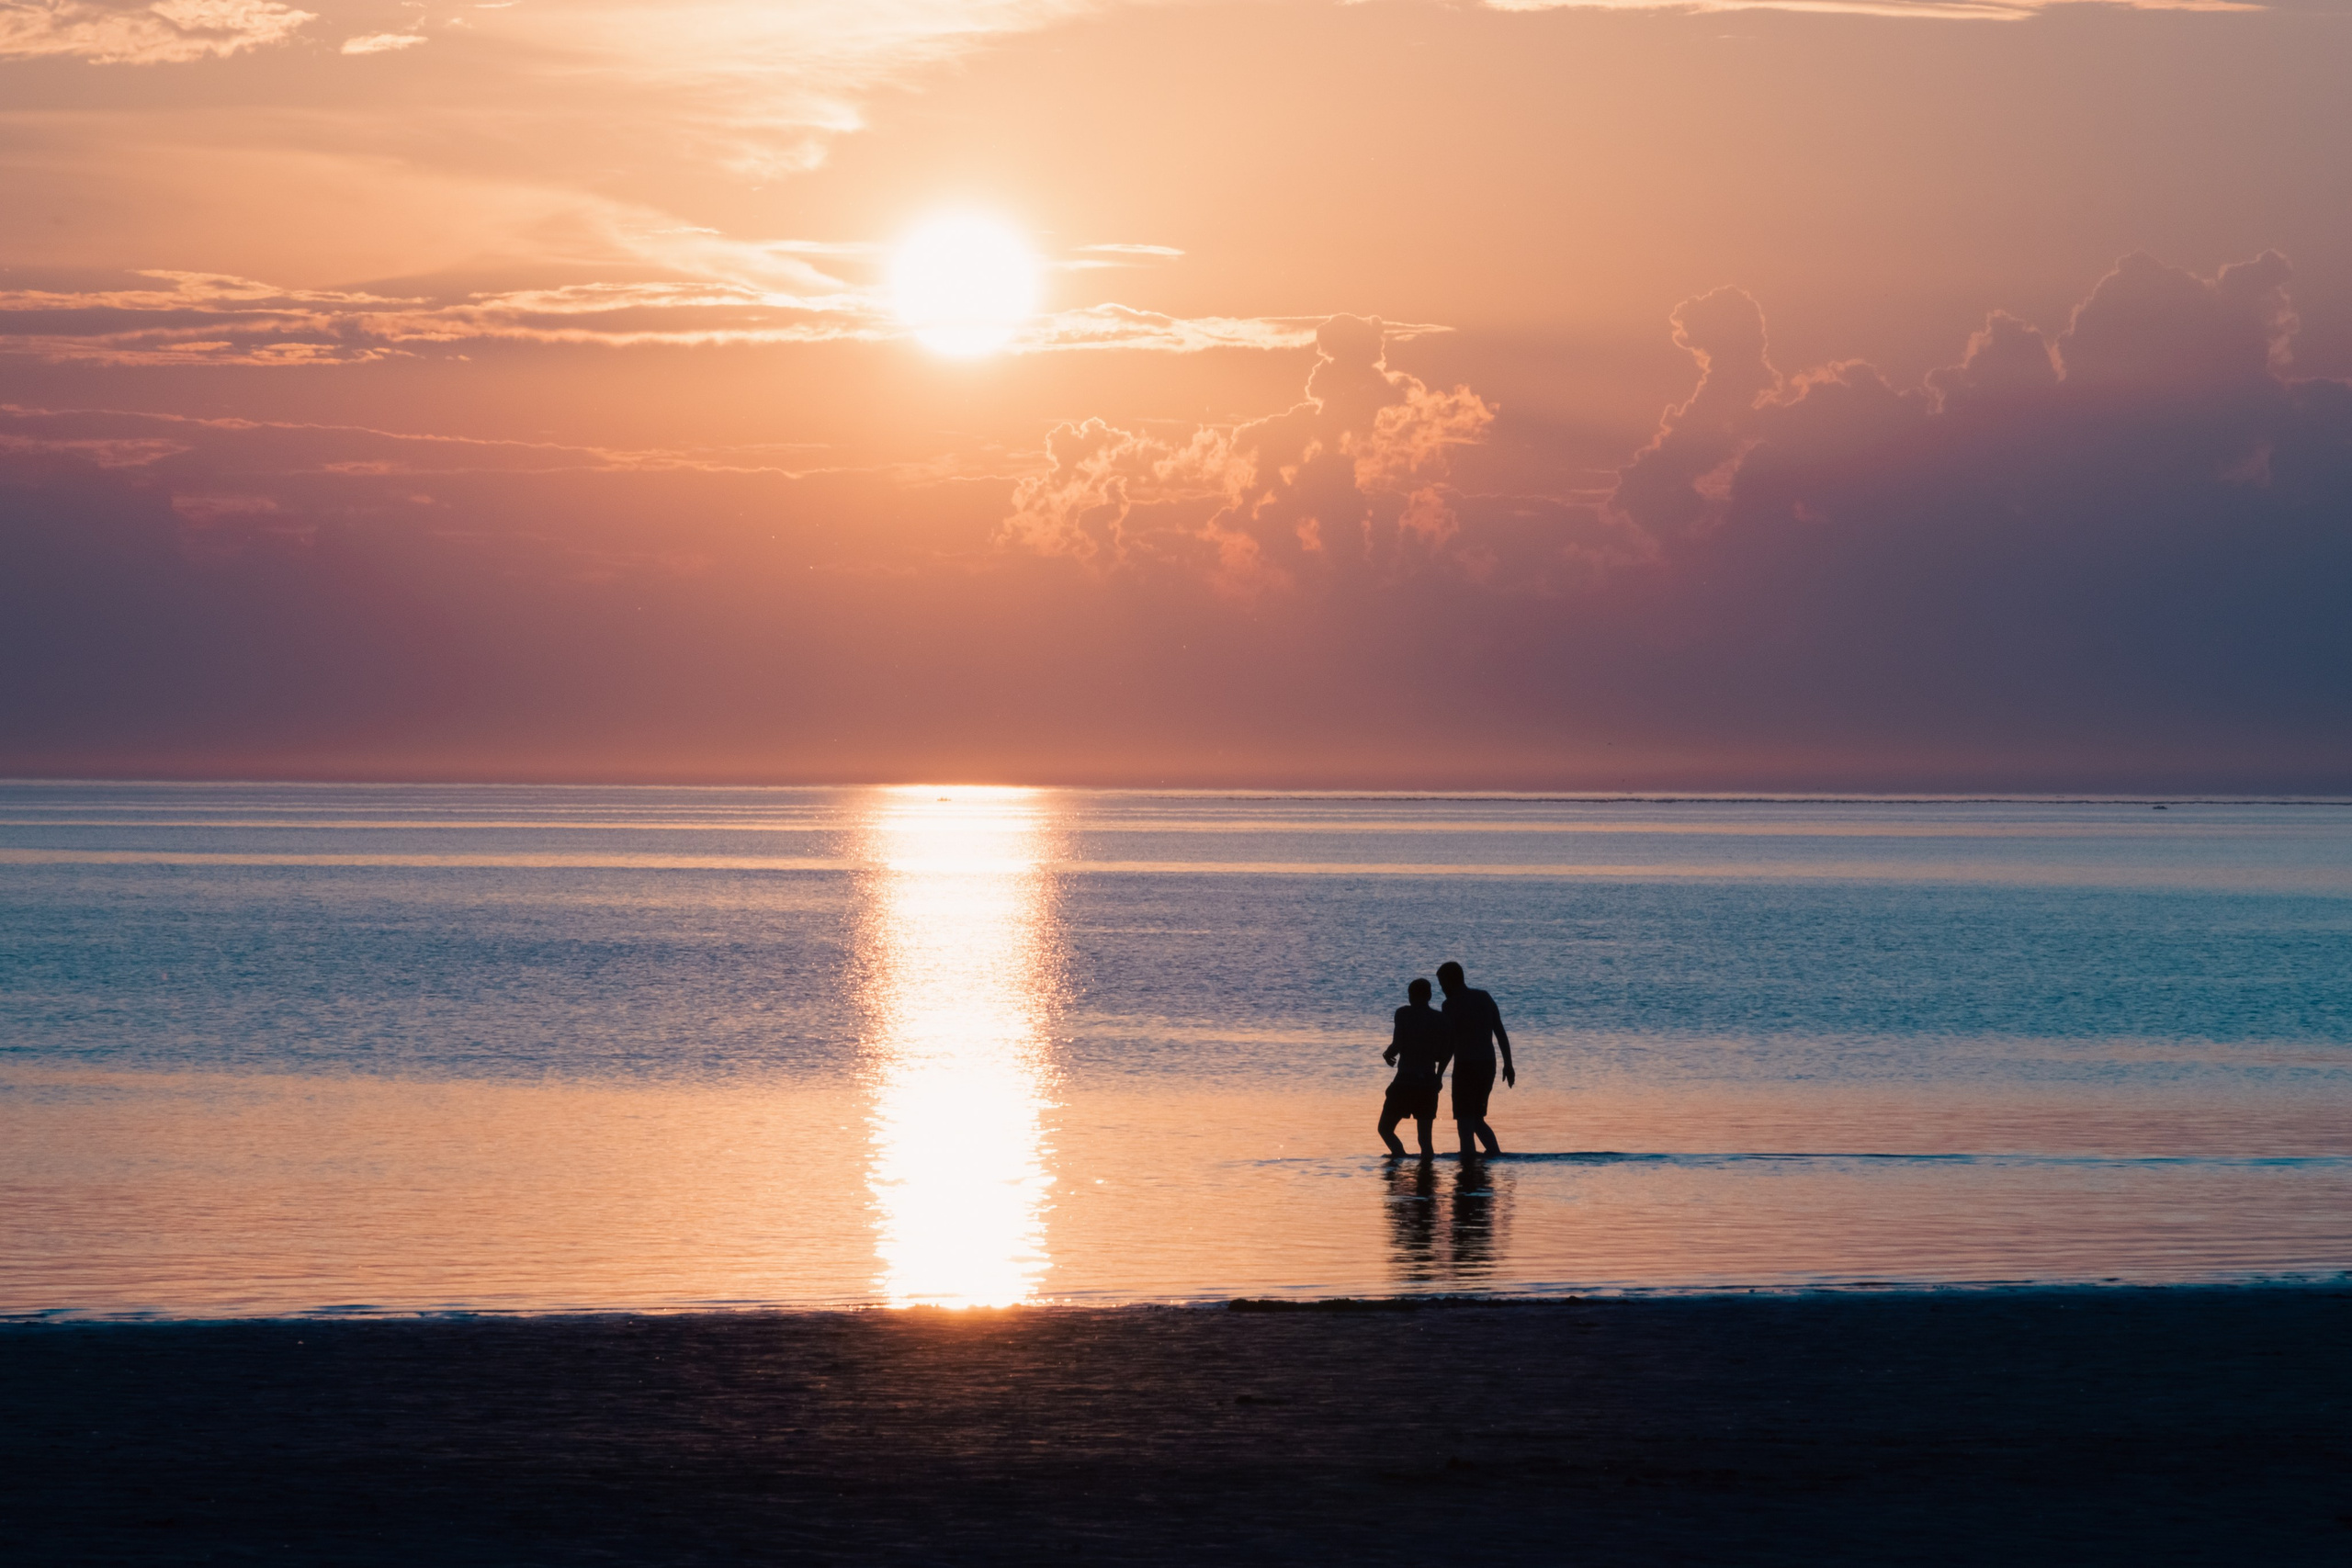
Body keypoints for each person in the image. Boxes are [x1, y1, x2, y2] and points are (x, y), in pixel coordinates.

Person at [1437, 960, 1514, 1157]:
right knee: (1477, 1119)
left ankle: (1468, 1166)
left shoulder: (1450, 1005)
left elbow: (1450, 1045)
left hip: (1466, 1067)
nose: (1442, 989)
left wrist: (1438, 1075)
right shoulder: (1484, 997)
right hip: (1488, 1065)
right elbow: (1500, 1033)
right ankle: (1495, 1156)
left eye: (1442, 984)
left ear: (1450, 981)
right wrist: (1508, 1064)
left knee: (1464, 1122)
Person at [1378, 977, 1451, 1159]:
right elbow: (1447, 1052)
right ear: (1430, 996)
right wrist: (1439, 1076)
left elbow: (1398, 1043)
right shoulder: (1440, 1019)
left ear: (1410, 996)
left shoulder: (1403, 1014)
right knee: (1425, 1140)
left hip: (1405, 1080)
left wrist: (1388, 1054)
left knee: (1385, 1129)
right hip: (1427, 1081)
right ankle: (1425, 1177)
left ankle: (1400, 1159)